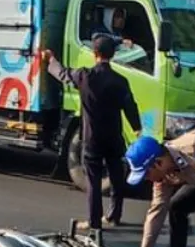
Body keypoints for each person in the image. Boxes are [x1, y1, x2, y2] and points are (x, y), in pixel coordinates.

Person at [41, 35, 142, 231]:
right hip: (114, 136)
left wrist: (51, 60)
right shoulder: (120, 81)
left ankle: (94, 222)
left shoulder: (85, 76)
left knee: (94, 180)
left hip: (92, 138)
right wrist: (137, 129)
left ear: (95, 54)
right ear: (112, 55)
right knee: (116, 176)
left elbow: (63, 74)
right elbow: (130, 106)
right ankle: (114, 215)